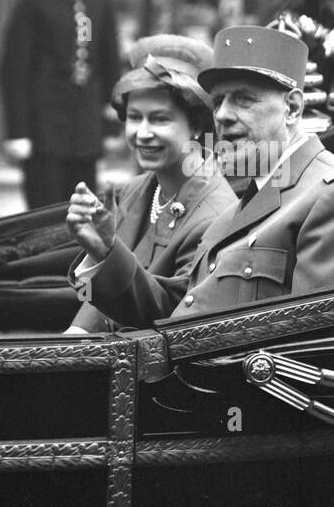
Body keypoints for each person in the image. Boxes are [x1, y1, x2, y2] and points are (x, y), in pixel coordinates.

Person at [170, 25, 334, 317]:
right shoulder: (246, 201)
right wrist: (105, 254)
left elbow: (312, 339)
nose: (221, 115)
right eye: (218, 101)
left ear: (293, 109)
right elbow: (185, 300)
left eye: (243, 99)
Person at [63, 35, 236, 332]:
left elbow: (170, 316)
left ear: (196, 126)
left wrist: (106, 252)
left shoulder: (216, 215)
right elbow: (94, 301)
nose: (142, 133)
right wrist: (76, 335)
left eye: (159, 119)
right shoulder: (135, 191)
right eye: (134, 117)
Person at [0, 0, 120, 209]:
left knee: (84, 214)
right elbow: (13, 68)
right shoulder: (35, 0)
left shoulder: (99, 1)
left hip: (86, 129)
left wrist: (111, 123)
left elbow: (108, 64)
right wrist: (18, 131)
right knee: (44, 214)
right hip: (44, 130)